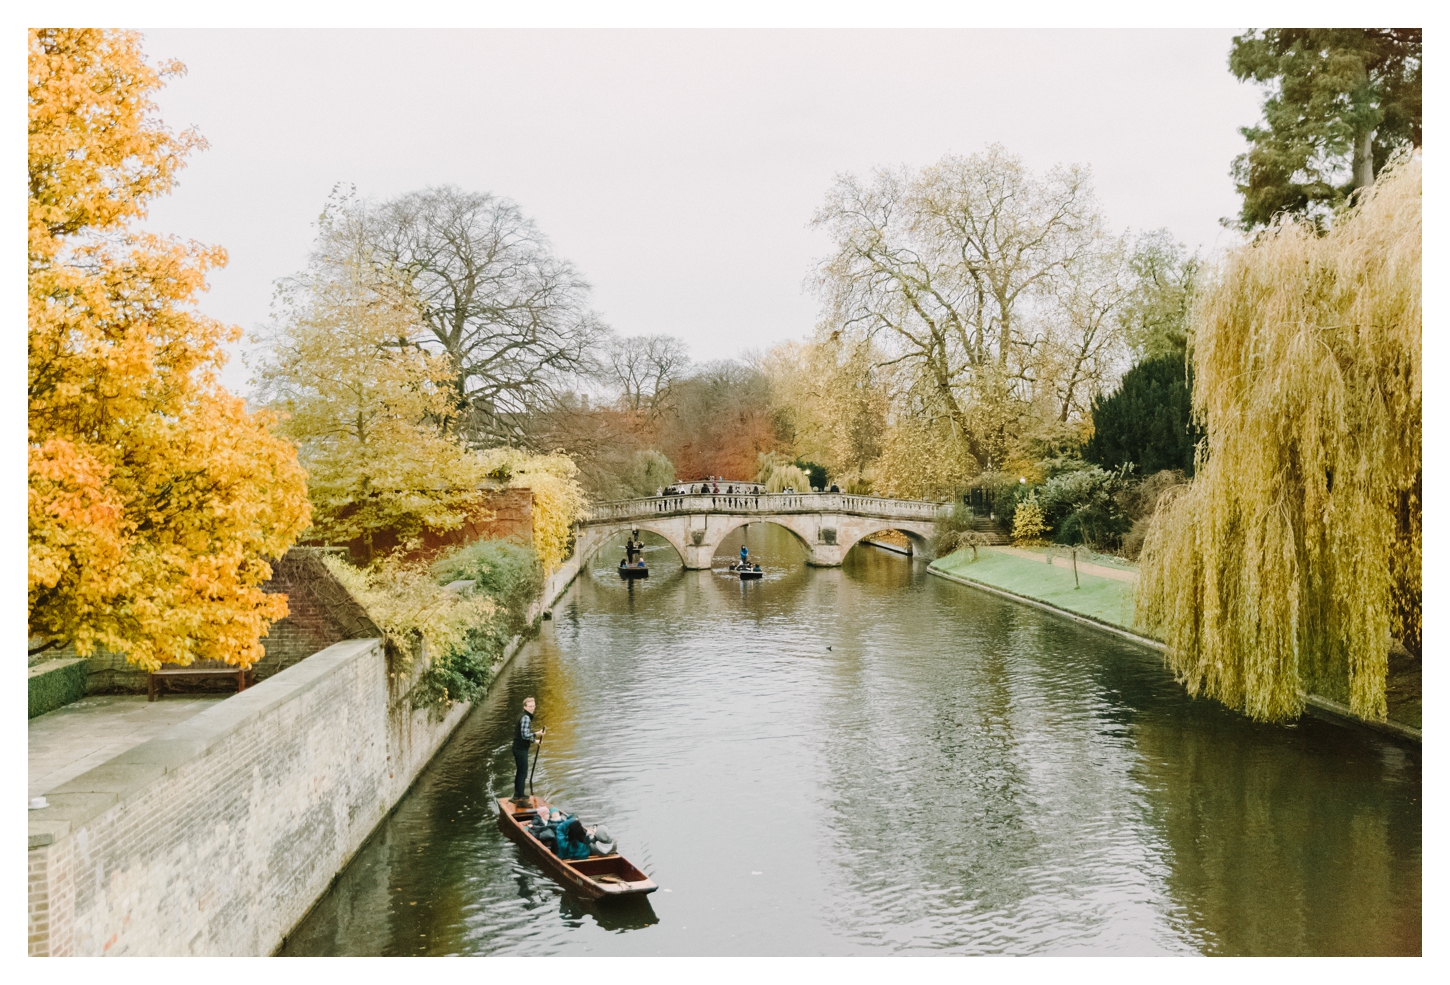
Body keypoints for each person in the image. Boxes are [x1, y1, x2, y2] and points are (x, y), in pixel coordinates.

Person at [511, 697, 544, 807]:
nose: (532, 708)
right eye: (530, 706)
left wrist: (535, 741)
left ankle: (518, 794)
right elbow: (525, 735)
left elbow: (522, 735)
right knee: (522, 773)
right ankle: (520, 800)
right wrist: (537, 733)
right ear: (525, 707)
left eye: (534, 706)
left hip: (518, 747)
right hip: (520, 749)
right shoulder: (526, 718)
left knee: (520, 772)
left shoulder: (522, 715)